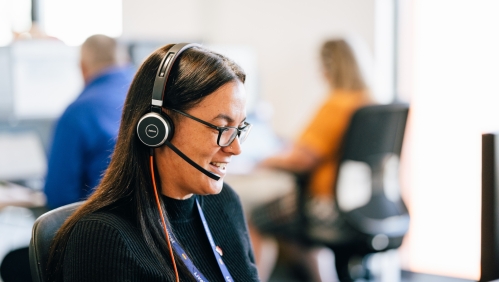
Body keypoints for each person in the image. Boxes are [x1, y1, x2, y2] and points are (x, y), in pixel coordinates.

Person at [46, 43, 259, 281]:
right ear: (156, 128)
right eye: (221, 127)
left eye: (238, 129)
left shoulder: (224, 203)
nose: (235, 148)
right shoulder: (103, 237)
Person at [249, 38, 374, 281]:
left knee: (256, 217)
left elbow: (302, 159)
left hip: (326, 205)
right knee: (297, 231)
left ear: (330, 66)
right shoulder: (369, 101)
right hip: (360, 204)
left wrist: (263, 160)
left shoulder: (337, 104)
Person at [44, 34, 134, 209]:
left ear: (83, 68)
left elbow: (59, 195)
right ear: (126, 61)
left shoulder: (77, 113)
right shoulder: (153, 99)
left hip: (100, 226)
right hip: (155, 225)